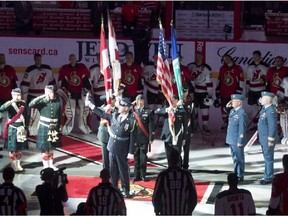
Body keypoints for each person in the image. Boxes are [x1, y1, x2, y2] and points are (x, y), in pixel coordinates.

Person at [86, 95, 136, 198]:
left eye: (121, 105)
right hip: (112, 146)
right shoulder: (115, 115)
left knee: (123, 170)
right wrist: (91, 105)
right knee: (113, 170)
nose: (119, 107)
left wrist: (131, 152)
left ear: (126, 108)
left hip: (122, 148)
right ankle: (114, 188)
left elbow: (133, 137)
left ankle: (125, 190)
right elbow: (102, 113)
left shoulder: (131, 120)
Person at [152, 149, 197, 215]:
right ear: (179, 160)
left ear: (169, 161)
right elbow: (193, 197)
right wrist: (188, 212)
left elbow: (156, 197)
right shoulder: (186, 175)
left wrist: (158, 211)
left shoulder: (163, 176)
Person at [20, 53, 56, 136]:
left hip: (45, 96)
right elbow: (25, 84)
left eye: (40, 59)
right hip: (33, 96)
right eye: (37, 59)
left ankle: (44, 130)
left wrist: (54, 92)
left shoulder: (47, 69)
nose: (39, 60)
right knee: (33, 115)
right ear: (34, 59)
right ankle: (32, 131)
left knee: (45, 114)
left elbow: (52, 82)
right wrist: (24, 96)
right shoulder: (30, 70)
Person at [28, 85, 62, 170]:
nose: (51, 94)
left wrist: (59, 126)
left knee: (51, 148)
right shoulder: (42, 102)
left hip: (54, 128)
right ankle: (45, 165)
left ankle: (51, 164)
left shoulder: (57, 102)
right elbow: (30, 104)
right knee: (44, 148)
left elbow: (59, 115)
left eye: (51, 92)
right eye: (48, 92)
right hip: (44, 126)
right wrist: (42, 96)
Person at [58, 53, 92, 135]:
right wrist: (65, 91)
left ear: (76, 59)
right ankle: (66, 129)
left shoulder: (82, 67)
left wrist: (86, 90)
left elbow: (86, 81)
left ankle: (85, 128)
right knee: (69, 113)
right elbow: (63, 83)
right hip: (71, 95)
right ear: (69, 59)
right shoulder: (65, 68)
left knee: (83, 113)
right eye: (71, 58)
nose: (73, 60)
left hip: (80, 94)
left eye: (74, 58)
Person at [0, 88, 28, 173]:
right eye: (15, 95)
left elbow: (26, 115)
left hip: (21, 128)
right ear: (12, 95)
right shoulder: (10, 104)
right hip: (12, 128)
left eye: (19, 95)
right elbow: (1, 108)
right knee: (12, 149)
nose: (17, 96)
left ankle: (18, 164)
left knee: (19, 148)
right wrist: (11, 101)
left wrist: (26, 127)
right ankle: (13, 164)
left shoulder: (23, 103)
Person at [154, 95, 187, 165]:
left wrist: (184, 138)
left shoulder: (181, 111)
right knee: (169, 156)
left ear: (177, 101)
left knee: (177, 156)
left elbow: (185, 126)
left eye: (175, 100)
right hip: (168, 136)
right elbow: (156, 112)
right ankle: (170, 171)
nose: (173, 102)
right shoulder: (167, 110)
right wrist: (167, 109)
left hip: (177, 136)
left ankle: (178, 171)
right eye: (172, 100)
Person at [215, 54, 245, 130]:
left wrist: (239, 92)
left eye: (227, 58)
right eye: (225, 59)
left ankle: (233, 124)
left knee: (234, 109)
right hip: (223, 92)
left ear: (231, 58)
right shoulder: (222, 68)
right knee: (224, 109)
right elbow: (219, 80)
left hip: (233, 93)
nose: (226, 60)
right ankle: (225, 123)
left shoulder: (238, 68)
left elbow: (241, 80)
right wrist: (217, 90)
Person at [188, 52, 213, 135]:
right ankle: (194, 125)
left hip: (203, 92)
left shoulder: (207, 68)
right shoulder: (190, 66)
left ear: (202, 57)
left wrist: (210, 94)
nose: (197, 58)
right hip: (193, 92)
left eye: (199, 56)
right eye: (196, 56)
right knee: (194, 109)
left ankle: (205, 126)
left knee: (204, 110)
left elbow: (209, 82)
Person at [257, 91, 279, 185]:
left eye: (263, 98)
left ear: (268, 100)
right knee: (266, 157)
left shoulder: (270, 111)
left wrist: (271, 139)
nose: (261, 99)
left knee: (268, 158)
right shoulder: (265, 109)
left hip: (267, 139)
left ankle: (268, 177)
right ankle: (267, 174)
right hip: (263, 138)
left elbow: (272, 126)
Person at [225, 94, 248, 181]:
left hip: (236, 139)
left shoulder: (242, 113)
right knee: (235, 158)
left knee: (239, 158)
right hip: (231, 139)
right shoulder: (233, 111)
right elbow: (228, 113)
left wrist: (240, 140)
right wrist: (227, 107)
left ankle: (240, 175)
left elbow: (242, 128)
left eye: (234, 101)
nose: (232, 102)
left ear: (239, 103)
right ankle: (236, 173)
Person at [133, 94, 154, 182]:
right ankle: (136, 175)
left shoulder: (148, 112)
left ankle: (143, 175)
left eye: (142, 100)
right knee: (136, 158)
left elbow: (150, 125)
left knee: (143, 158)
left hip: (144, 138)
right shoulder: (132, 112)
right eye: (139, 100)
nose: (141, 102)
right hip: (135, 139)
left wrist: (150, 138)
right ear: (136, 101)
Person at [246, 50, 269, 131]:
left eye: (256, 56)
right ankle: (255, 125)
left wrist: (267, 89)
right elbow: (248, 79)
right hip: (252, 90)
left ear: (260, 57)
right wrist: (247, 89)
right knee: (254, 108)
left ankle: (262, 125)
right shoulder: (250, 66)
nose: (255, 58)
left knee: (262, 108)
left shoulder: (265, 66)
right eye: (253, 56)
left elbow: (267, 78)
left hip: (261, 90)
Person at [0, 53, 19, 137]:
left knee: (5, 117)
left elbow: (15, 84)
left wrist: (15, 96)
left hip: (7, 98)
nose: (2, 60)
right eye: (0, 58)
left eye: (3, 58)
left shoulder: (10, 69)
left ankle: (4, 134)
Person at [97, 95, 118, 169]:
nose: (114, 101)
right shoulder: (102, 109)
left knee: (113, 155)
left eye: (114, 99)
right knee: (105, 155)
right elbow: (99, 118)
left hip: (113, 135)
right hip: (104, 135)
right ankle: (105, 171)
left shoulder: (117, 110)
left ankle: (113, 170)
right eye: (112, 99)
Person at [182, 87, 195, 170]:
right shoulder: (177, 103)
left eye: (186, 91)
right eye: (183, 91)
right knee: (178, 148)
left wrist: (192, 130)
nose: (185, 93)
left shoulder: (191, 104)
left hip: (187, 128)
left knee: (186, 149)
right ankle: (178, 164)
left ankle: (186, 166)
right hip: (179, 129)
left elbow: (193, 118)